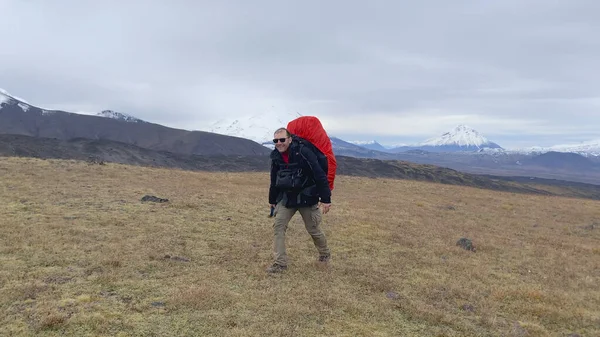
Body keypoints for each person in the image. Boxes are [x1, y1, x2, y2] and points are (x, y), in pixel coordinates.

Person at [267, 127, 332, 273]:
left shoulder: (303, 152)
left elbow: (319, 175)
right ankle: (280, 264)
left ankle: (325, 253)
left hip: (306, 197)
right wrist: (272, 199)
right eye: (276, 141)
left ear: (290, 139)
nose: (279, 143)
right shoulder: (275, 156)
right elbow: (274, 179)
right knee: (278, 226)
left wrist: (326, 199)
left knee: (313, 229)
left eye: (282, 140)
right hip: (287, 198)